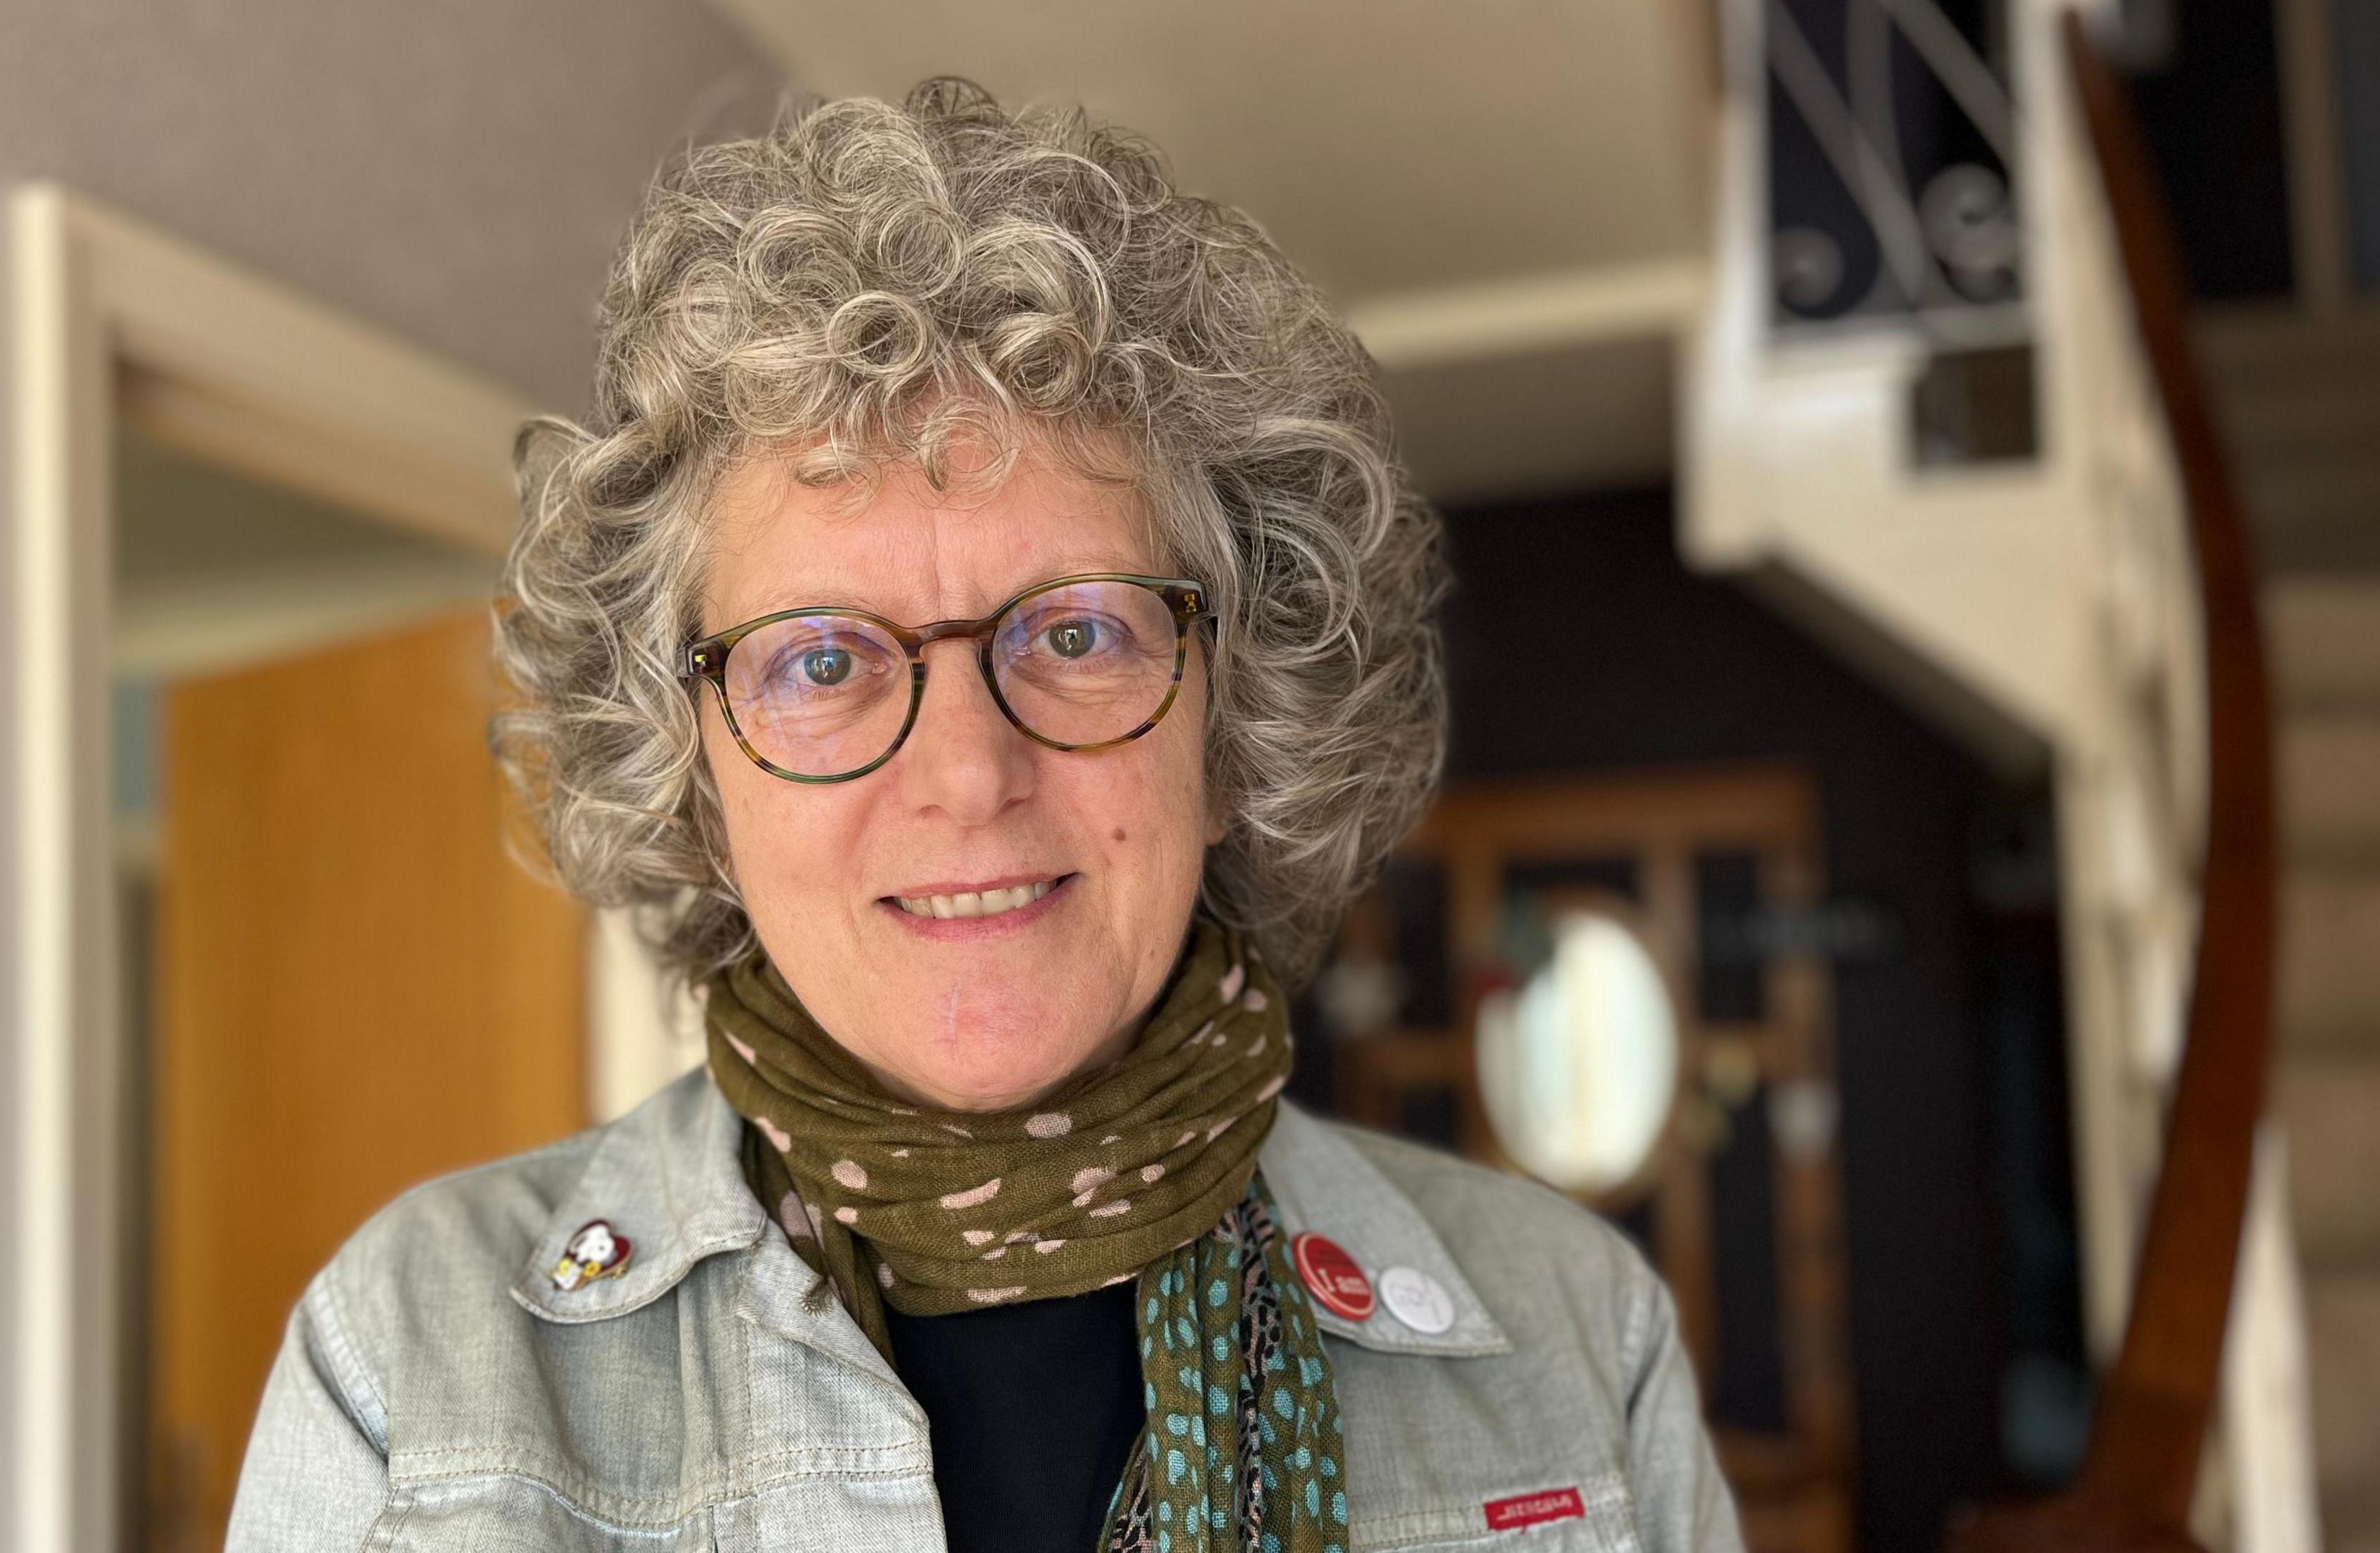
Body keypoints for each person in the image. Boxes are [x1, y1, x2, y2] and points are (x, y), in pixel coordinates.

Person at [226, 78, 1743, 1553]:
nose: (968, 773)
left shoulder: (1571, 1343)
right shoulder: (410, 1369)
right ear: (694, 777)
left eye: (1077, 635)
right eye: (821, 659)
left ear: (1232, 733)